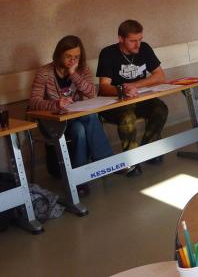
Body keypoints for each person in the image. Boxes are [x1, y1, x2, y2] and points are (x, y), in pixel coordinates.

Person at [29, 36, 113, 196]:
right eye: (68, 56)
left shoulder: (82, 70)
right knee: (87, 121)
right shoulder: (44, 73)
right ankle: (106, 161)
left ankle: (80, 179)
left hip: (77, 117)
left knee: (82, 127)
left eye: (76, 57)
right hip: (54, 121)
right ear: (59, 54)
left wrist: (73, 74)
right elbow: (34, 102)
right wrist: (56, 104)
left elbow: (92, 94)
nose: (72, 60)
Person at [96, 19, 168, 177]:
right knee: (127, 118)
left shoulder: (145, 48)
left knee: (160, 109)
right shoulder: (108, 53)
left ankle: (148, 150)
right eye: (133, 41)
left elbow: (160, 76)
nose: (138, 45)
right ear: (120, 39)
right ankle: (132, 161)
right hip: (115, 104)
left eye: (140, 39)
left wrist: (134, 85)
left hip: (138, 99)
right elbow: (104, 87)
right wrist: (122, 90)